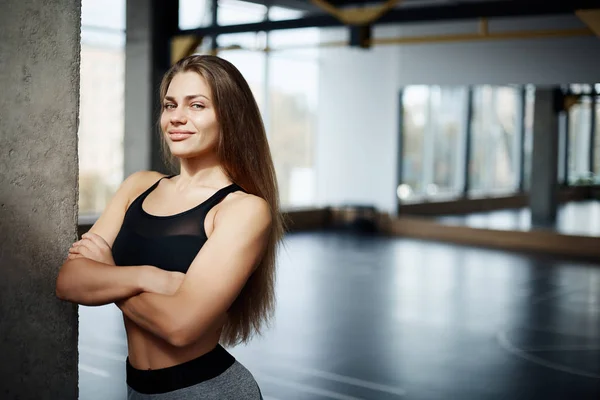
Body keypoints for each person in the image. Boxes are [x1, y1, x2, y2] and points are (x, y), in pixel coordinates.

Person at [56, 54, 284, 399]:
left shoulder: (243, 209)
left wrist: (107, 273)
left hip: (207, 390)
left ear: (230, 116)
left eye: (197, 105)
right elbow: (69, 281)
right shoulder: (138, 186)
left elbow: (180, 327)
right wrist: (147, 276)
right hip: (138, 390)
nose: (177, 117)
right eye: (170, 105)